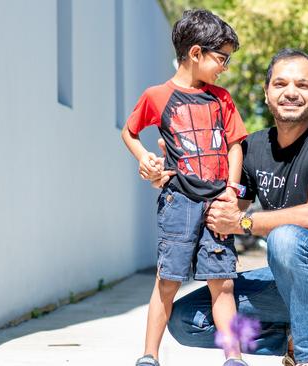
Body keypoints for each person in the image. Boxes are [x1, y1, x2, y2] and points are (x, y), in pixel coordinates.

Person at [153, 49, 308, 366]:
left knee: (285, 238)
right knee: (187, 320)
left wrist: (244, 223)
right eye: (280, 84)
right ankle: (297, 336)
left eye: (303, 85)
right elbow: (223, 209)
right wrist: (173, 177)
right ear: (267, 94)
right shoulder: (251, 147)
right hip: (287, 280)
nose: (291, 93)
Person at [121, 9, 249, 366]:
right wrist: (144, 158)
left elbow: (236, 143)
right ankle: (149, 355)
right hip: (177, 201)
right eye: (221, 58)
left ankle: (234, 357)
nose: (225, 67)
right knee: (168, 279)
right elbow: (129, 131)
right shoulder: (157, 96)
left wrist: (231, 190)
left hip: (216, 205)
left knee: (222, 281)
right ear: (196, 53)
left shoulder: (221, 99)